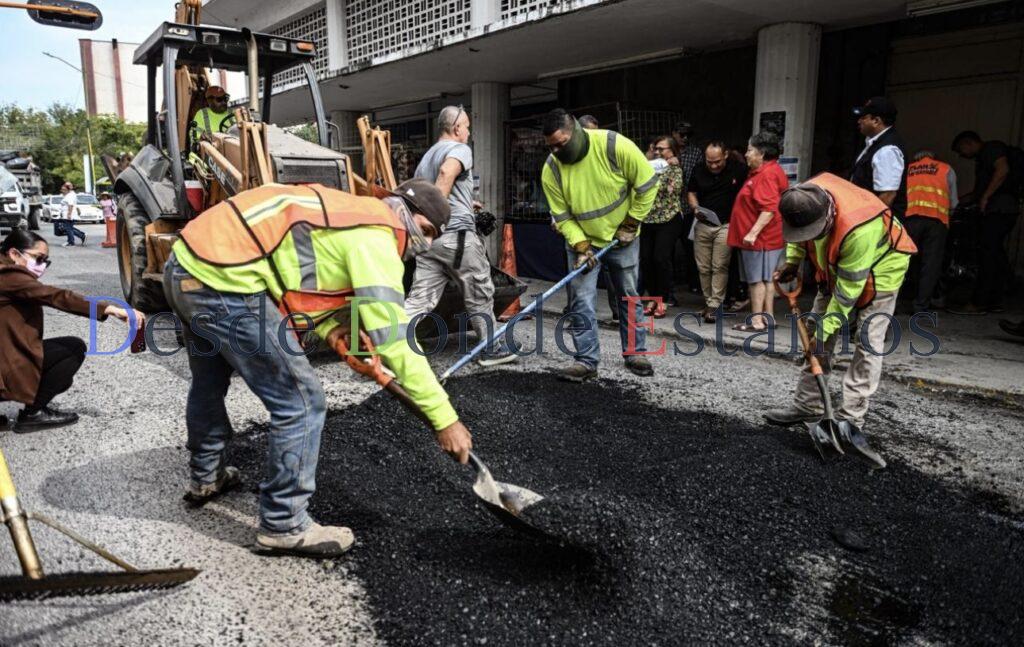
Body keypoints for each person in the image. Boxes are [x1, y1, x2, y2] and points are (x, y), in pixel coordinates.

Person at [164, 179, 473, 557]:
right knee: (302, 400)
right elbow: (393, 338)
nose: (420, 243)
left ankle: (206, 476)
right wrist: (444, 418)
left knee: (209, 382)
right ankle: (284, 523)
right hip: (224, 282)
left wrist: (335, 330)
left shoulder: (351, 216)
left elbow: (302, 279)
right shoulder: (378, 235)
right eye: (424, 231)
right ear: (408, 213)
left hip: (186, 266)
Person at [766, 174, 917, 468]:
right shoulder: (804, 198)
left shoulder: (859, 230)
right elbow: (801, 235)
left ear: (829, 215)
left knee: (868, 342)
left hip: (881, 270)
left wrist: (825, 332)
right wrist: (794, 261)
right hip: (837, 267)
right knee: (815, 336)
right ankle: (806, 405)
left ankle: (850, 418)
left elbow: (847, 295)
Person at [541, 108, 658, 381]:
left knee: (628, 295)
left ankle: (635, 353)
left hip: (623, 238)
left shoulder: (614, 146)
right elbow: (562, 216)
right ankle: (586, 360)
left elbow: (647, 185)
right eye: (552, 147)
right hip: (583, 241)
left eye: (562, 143)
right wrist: (582, 246)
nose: (557, 151)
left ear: (577, 132)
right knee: (581, 300)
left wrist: (631, 222)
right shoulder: (551, 169)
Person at [405, 106, 517, 365]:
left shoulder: (426, 159)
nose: (468, 132)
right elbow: (447, 174)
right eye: (467, 127)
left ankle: (390, 345)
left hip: (429, 242)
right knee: (480, 292)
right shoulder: (459, 150)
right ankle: (492, 349)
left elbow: (436, 188)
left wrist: (466, 204)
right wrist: (438, 213)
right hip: (456, 237)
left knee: (420, 299)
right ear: (456, 129)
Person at [1, 230, 139, 432]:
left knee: (57, 369)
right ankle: (33, 414)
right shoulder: (10, 277)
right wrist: (108, 308)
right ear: (14, 254)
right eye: (38, 258)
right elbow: (56, 296)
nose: (41, 266)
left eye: (45, 261)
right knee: (72, 349)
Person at [948, 131, 1022, 315]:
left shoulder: (992, 148)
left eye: (960, 150)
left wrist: (986, 198)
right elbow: (976, 193)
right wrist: (955, 203)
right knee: (994, 253)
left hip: (999, 210)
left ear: (968, 143)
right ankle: (996, 299)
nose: (961, 155)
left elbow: (1003, 170)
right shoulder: (983, 159)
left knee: (986, 254)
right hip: (1002, 209)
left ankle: (979, 302)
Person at [727, 131, 787, 332]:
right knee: (767, 279)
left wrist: (752, 233)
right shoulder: (772, 170)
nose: (746, 154)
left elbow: (769, 208)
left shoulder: (765, 175)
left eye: (750, 150)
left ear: (761, 153)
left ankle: (756, 321)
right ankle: (768, 318)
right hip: (769, 237)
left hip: (760, 238)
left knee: (755, 281)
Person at [687, 140, 748, 322]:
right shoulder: (698, 169)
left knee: (719, 265)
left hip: (727, 224)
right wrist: (695, 208)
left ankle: (715, 305)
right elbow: (691, 192)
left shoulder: (738, 169)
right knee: (703, 266)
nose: (713, 165)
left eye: (717, 161)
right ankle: (709, 302)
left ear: (726, 155)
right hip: (703, 222)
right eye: (709, 161)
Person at [904, 150, 957, 312]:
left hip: (910, 219)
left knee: (902, 261)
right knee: (931, 264)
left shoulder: (908, 169)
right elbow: (953, 202)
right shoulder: (946, 169)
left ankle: (894, 302)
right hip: (936, 221)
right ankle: (921, 305)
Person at [639, 136, 684, 319]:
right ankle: (652, 297)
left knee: (661, 258)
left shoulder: (674, 168)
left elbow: (670, 189)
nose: (658, 152)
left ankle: (663, 300)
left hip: (668, 219)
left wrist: (664, 167)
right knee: (646, 259)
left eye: (662, 149)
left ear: (672, 151)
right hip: (648, 219)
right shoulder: (646, 165)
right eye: (656, 148)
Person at [850, 96, 907, 221]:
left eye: (863, 118)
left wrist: (867, 222)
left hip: (876, 226)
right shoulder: (873, 144)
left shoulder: (887, 150)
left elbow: (888, 195)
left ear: (876, 121)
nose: (859, 121)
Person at [671, 121, 704, 297]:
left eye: (688, 135)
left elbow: (698, 176)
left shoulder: (696, 152)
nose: (684, 138)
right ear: (674, 133)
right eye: (681, 134)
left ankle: (694, 282)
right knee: (666, 250)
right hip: (669, 207)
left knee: (690, 246)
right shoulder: (667, 150)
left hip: (688, 206)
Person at [59, 182, 86, 247]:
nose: (62, 191)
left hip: (69, 214)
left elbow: (70, 205)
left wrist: (69, 214)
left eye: (64, 189)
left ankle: (72, 241)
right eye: (62, 189)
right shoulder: (68, 194)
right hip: (66, 214)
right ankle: (75, 238)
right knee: (69, 228)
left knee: (68, 228)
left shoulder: (70, 195)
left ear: (68, 189)